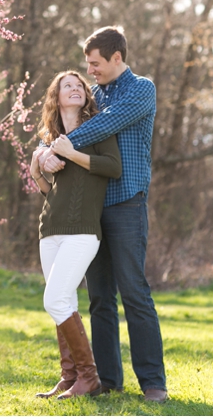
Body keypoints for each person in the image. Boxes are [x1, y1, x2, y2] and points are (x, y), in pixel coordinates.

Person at [37, 26, 168, 403]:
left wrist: (56, 150)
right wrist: (44, 152)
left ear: (116, 58)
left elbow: (103, 125)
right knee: (99, 298)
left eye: (95, 63)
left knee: (134, 292)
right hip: (91, 211)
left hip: (126, 203)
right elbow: (65, 121)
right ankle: (107, 380)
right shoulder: (92, 95)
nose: (89, 70)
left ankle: (153, 383)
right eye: (87, 64)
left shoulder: (141, 89)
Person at [30, 71, 121, 400]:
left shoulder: (97, 127)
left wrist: (70, 154)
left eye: (80, 85)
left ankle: (89, 377)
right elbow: (48, 190)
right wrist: (35, 168)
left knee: (53, 300)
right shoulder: (49, 139)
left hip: (83, 231)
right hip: (49, 228)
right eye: (67, 85)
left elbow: (113, 167)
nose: (76, 89)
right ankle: (69, 377)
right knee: (63, 302)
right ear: (55, 96)